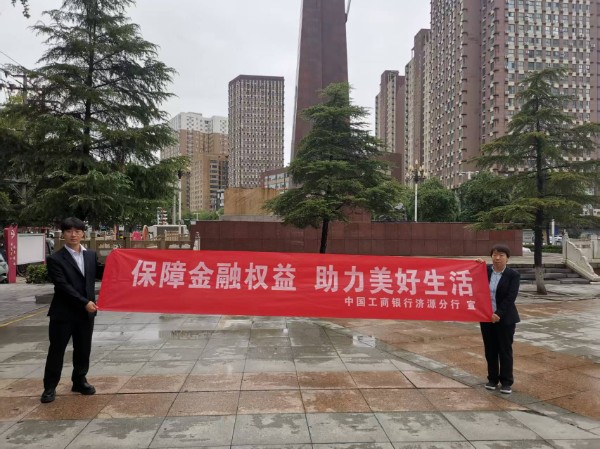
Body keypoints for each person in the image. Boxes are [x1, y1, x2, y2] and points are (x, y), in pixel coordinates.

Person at [40, 217, 103, 403]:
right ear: (63, 234)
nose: (73, 235)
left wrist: (122, 260)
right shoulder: (55, 259)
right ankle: (50, 387)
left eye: (77, 231)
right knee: (57, 350)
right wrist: (84, 302)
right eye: (69, 231)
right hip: (63, 313)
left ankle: (79, 381)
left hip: (86, 313)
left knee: (83, 349)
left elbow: (102, 273)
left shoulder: (90, 255)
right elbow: (62, 286)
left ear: (83, 233)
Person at [478, 244, 520, 395]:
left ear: (507, 258)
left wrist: (498, 313)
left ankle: (506, 382)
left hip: (505, 319)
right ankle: (492, 379)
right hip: (486, 318)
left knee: (505, 350)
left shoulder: (513, 275)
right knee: (490, 350)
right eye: (494, 255)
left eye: (501, 255)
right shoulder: (485, 271)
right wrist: (475, 265)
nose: (497, 258)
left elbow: (510, 297)